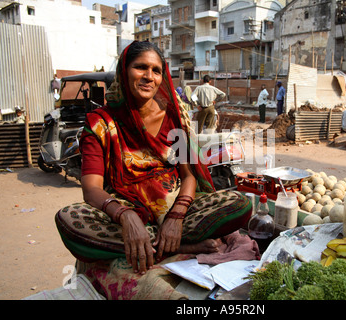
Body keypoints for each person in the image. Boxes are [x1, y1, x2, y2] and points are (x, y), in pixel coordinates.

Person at [54, 41, 252, 275]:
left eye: (156, 71)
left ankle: (164, 242)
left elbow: (189, 176)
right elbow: (91, 189)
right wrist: (125, 216)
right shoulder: (100, 123)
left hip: (175, 207)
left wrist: (176, 217)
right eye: (140, 68)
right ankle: (178, 246)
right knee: (70, 219)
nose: (149, 77)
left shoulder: (174, 117)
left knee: (240, 203)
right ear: (124, 71)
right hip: (127, 208)